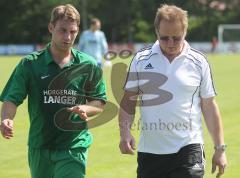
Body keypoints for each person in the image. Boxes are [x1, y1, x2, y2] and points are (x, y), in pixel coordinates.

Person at [118, 4, 227, 178]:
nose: (170, 43)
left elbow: (209, 106)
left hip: (188, 150)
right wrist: (125, 133)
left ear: (185, 32)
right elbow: (128, 100)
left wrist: (220, 148)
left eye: (176, 38)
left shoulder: (199, 62)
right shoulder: (141, 59)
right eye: (164, 38)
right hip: (150, 153)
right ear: (156, 32)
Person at [0, 4, 106, 178]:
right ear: (51, 27)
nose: (68, 37)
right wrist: (6, 118)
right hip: (40, 146)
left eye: (72, 31)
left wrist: (85, 108)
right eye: (62, 30)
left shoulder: (88, 65)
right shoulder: (30, 64)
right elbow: (12, 98)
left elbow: (99, 102)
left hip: (73, 146)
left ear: (78, 30)